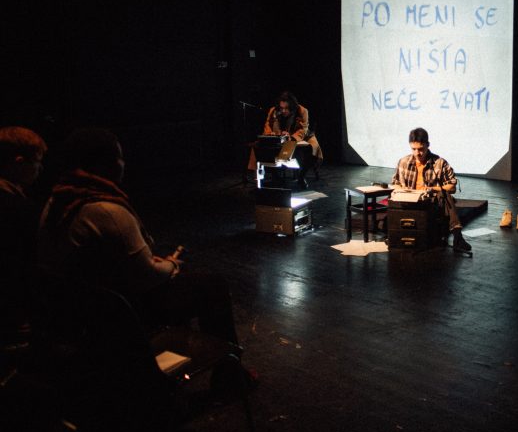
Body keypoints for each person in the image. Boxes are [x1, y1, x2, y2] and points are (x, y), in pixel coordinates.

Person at [37, 127, 248, 355]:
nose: (123, 164)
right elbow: (147, 276)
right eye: (119, 157)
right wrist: (171, 266)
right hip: (119, 309)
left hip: (79, 306)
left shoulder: (56, 201)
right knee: (213, 285)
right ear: (103, 164)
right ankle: (230, 371)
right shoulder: (106, 210)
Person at [391, 127, 472, 255]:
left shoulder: (439, 163)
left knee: (444, 194)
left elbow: (452, 187)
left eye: (421, 149)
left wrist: (432, 189)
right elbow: (394, 184)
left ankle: (458, 237)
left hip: (431, 202)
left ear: (428, 145)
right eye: (414, 149)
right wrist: (402, 190)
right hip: (409, 201)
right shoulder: (403, 162)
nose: (417, 153)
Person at [0, 126, 47, 343]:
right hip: (13, 314)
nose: (40, 169)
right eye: (37, 162)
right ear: (19, 163)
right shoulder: (18, 209)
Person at [253, 90, 323, 189]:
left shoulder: (302, 111)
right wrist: (271, 134)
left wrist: (290, 137)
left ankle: (301, 177)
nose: (284, 111)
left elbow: (303, 129)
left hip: (303, 137)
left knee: (312, 147)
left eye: (287, 108)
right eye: (282, 108)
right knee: (263, 146)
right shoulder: (273, 110)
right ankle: (275, 176)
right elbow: (268, 124)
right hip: (280, 138)